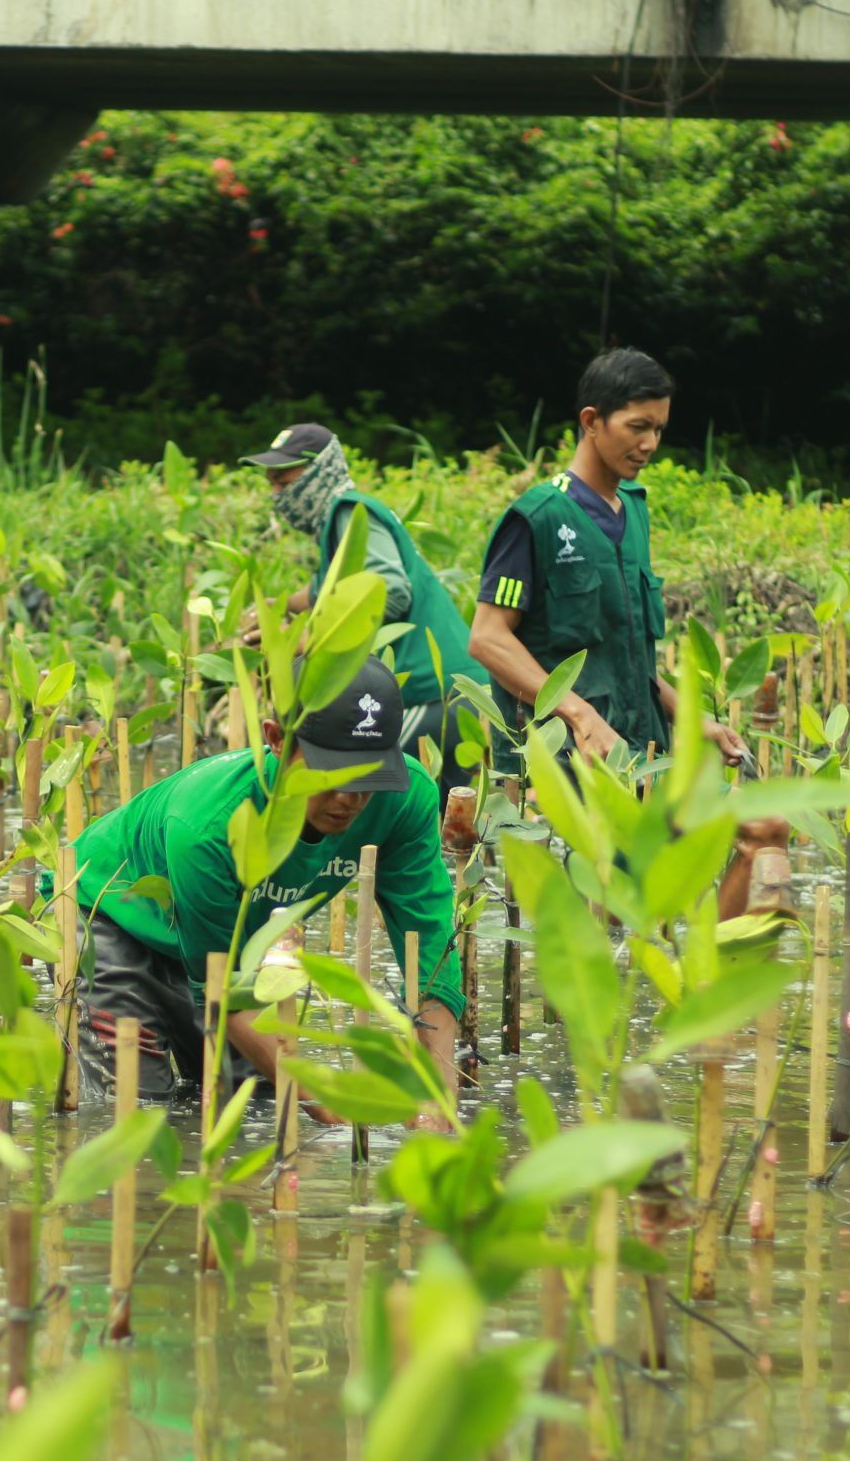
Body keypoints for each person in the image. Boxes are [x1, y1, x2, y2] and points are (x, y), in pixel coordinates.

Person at [62, 658, 463, 1123]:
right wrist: (327, 1100)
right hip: (114, 915)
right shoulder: (209, 825)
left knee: (252, 1108)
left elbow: (430, 940)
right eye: (329, 772)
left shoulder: (406, 798)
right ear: (275, 739)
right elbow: (221, 992)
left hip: (229, 943)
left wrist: (438, 1089)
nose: (350, 798)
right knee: (138, 1113)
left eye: (369, 775)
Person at [466, 348, 789, 917]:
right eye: (637, 427)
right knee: (616, 912)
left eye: (659, 429)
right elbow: (488, 639)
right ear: (592, 421)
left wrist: (690, 716)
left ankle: (715, 987)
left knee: (765, 828)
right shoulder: (536, 518)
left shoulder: (633, 510)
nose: (650, 445)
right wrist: (579, 715)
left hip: (644, 747)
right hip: (568, 758)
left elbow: (625, 654)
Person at [242, 423, 491, 777]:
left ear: (320, 473)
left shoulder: (352, 511)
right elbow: (330, 587)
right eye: (271, 485)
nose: (277, 496)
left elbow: (389, 592)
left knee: (356, 781)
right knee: (439, 820)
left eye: (284, 484)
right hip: (450, 695)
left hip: (436, 695)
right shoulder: (341, 524)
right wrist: (280, 606)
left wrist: (304, 642)